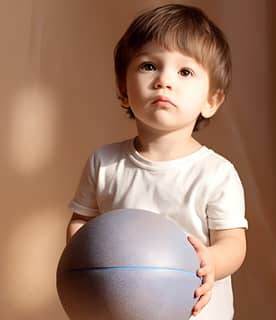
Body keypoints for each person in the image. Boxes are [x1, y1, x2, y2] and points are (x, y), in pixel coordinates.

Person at [66, 4, 248, 319]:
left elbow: (232, 241)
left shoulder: (216, 174)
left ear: (211, 100)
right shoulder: (105, 162)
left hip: (195, 312)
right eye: (149, 66)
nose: (164, 80)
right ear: (123, 89)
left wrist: (212, 261)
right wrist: (88, 260)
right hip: (119, 308)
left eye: (185, 71)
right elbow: (81, 222)